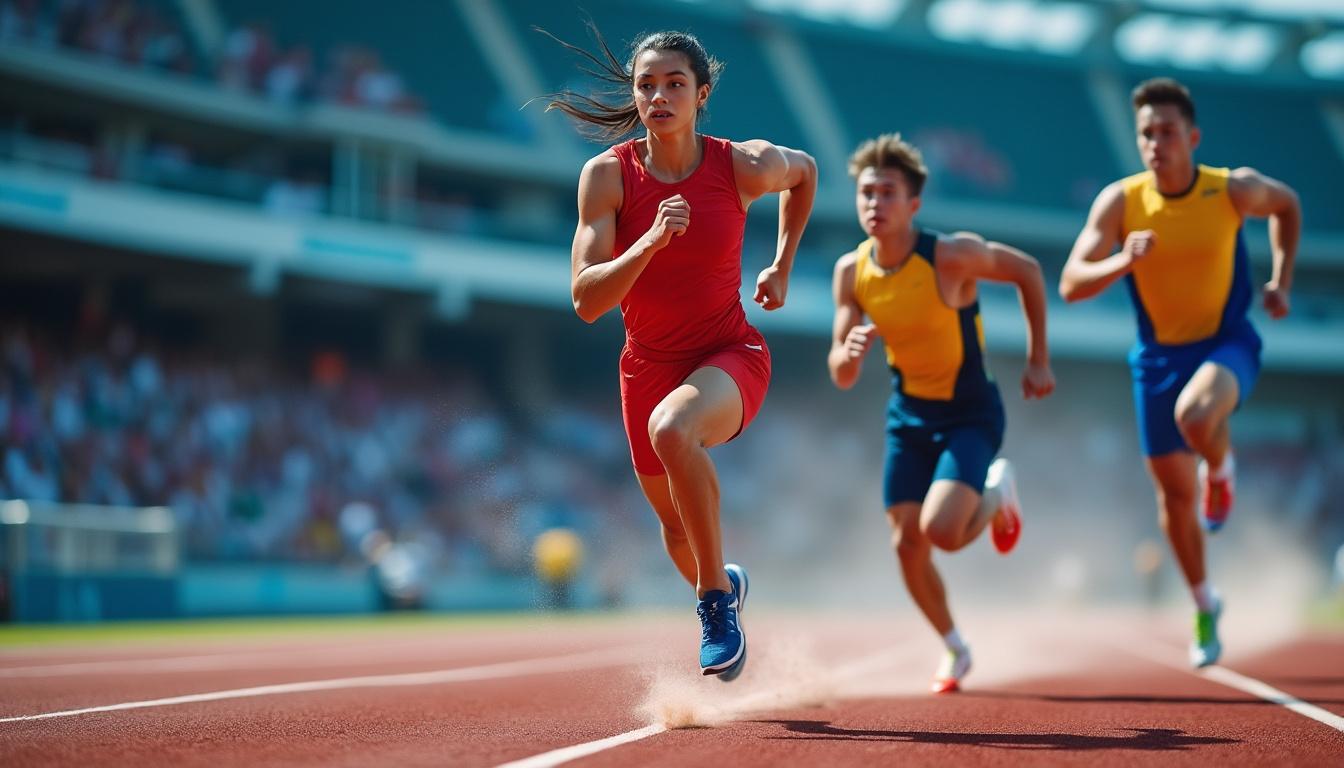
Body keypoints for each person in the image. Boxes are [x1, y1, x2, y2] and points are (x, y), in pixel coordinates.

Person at [543, 23, 817, 680]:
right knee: (673, 528)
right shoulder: (607, 178)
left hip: (729, 352)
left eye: (674, 84)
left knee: (675, 430)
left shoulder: (741, 166)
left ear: (702, 94)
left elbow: (804, 173)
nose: (659, 96)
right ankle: (722, 580)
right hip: (646, 365)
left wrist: (781, 264)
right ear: (635, 96)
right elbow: (585, 300)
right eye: (647, 85)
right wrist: (647, 244)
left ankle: (715, 602)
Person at [1060, 77, 1299, 668]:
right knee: (1172, 496)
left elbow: (1287, 205)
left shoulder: (1231, 189)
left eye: (1167, 132)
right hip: (1157, 357)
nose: (1156, 143)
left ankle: (1221, 468)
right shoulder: (1121, 202)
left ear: (1192, 137)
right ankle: (1204, 603)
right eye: (1146, 133)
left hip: (1227, 341)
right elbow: (1069, 283)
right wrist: (1123, 258)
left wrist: (1282, 280)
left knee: (1196, 416)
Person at [829, 134, 1054, 693]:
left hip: (969, 413)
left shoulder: (949, 255)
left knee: (943, 533)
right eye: (865, 193)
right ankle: (955, 647)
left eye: (887, 193)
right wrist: (848, 353)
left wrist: (1038, 360)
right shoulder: (850, 273)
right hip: (909, 415)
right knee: (906, 544)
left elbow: (1027, 270)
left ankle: (997, 492)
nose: (874, 204)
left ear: (913, 206)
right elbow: (840, 371)